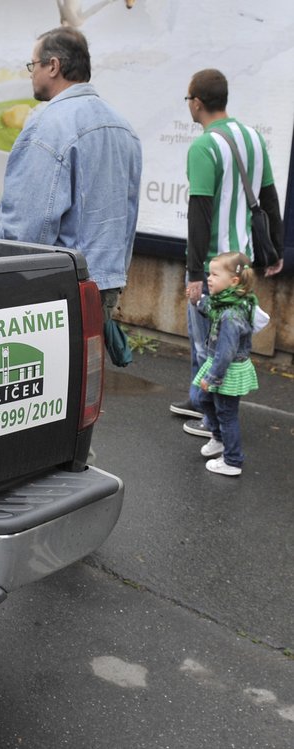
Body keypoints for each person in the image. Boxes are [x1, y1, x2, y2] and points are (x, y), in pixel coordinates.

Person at [0, 27, 142, 320]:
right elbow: (127, 217)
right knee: (83, 366)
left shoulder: (47, 124)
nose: (31, 73)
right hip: (104, 287)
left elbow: (27, 227)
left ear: (54, 66)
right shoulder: (125, 129)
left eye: (34, 65)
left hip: (52, 291)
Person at [170, 68, 283, 433]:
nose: (189, 106)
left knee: (208, 344)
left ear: (197, 102)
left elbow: (199, 212)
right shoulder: (252, 137)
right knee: (224, 341)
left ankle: (211, 419)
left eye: (189, 100)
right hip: (242, 262)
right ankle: (197, 399)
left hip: (214, 265)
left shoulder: (204, 146)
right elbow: (268, 198)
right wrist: (276, 250)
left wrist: (195, 275)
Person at [192, 251, 258, 476]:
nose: (209, 278)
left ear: (234, 281)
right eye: (209, 274)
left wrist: (212, 377)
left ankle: (232, 460)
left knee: (226, 413)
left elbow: (226, 352)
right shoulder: (224, 304)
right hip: (219, 365)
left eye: (214, 274)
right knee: (204, 400)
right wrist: (198, 301)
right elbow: (210, 308)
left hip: (226, 369)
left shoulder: (231, 315)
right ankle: (218, 439)